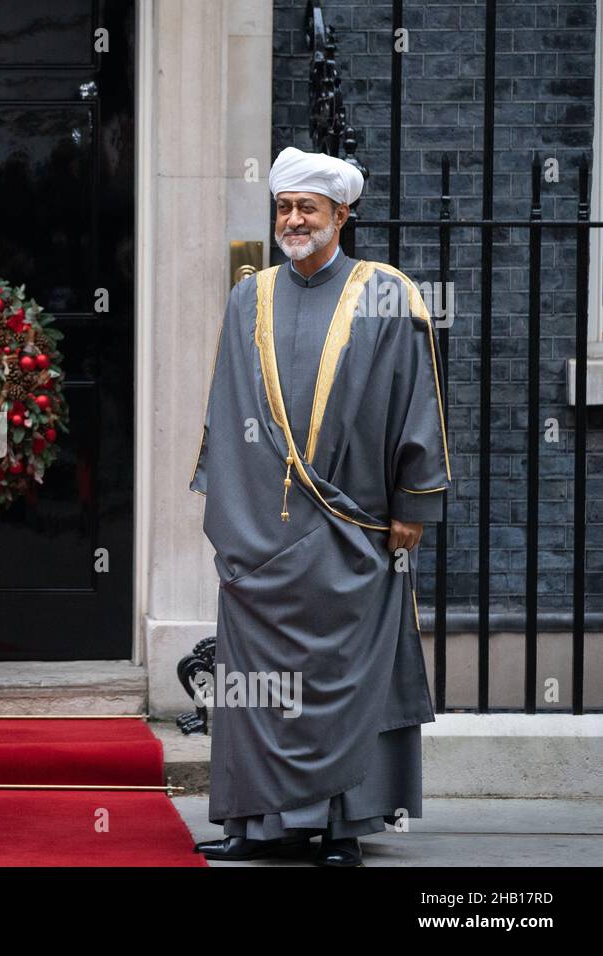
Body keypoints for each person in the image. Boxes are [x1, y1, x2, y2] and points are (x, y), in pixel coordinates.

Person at [189, 146, 451, 867]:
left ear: (342, 214)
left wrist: (412, 504)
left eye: (309, 206)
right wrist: (234, 519)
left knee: (347, 681)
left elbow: (418, 406)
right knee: (257, 686)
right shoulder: (251, 295)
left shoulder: (388, 292)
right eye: (284, 206)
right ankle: (255, 826)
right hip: (264, 537)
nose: (294, 218)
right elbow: (227, 407)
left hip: (356, 525)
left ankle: (342, 827)